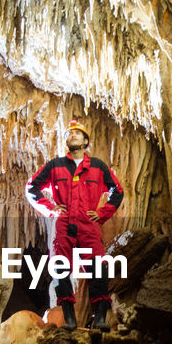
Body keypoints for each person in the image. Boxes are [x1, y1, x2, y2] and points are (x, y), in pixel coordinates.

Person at [25, 117, 124, 330]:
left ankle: (100, 318)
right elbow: (32, 188)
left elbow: (118, 191)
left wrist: (103, 213)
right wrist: (50, 209)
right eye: (69, 133)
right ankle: (69, 317)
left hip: (88, 222)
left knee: (97, 267)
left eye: (77, 133)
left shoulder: (98, 167)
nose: (72, 135)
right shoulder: (55, 166)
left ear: (86, 141)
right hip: (64, 222)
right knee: (60, 267)